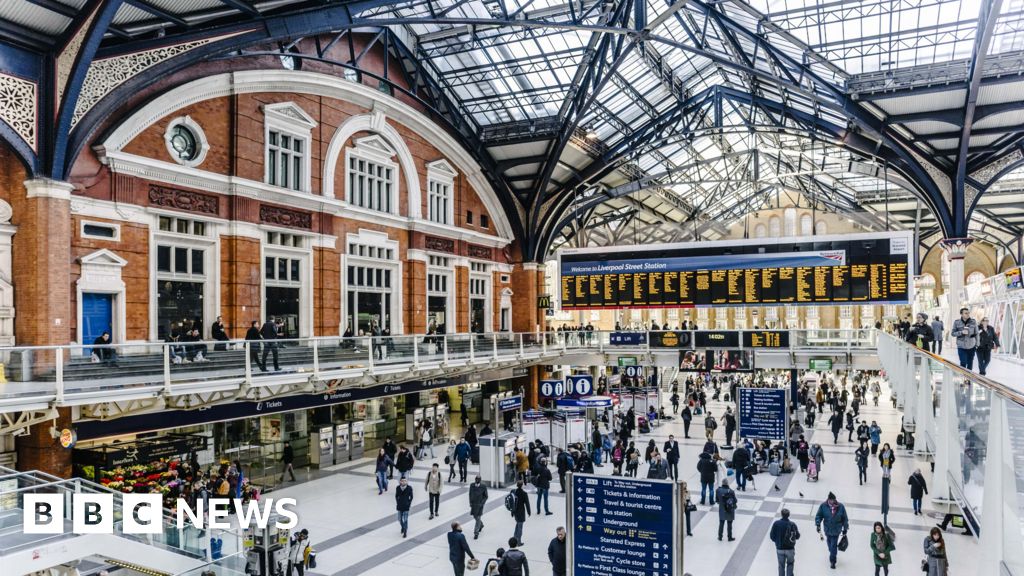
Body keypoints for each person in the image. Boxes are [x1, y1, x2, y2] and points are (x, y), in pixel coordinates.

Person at [814, 492, 849, 569]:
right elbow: (819, 515)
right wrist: (818, 524)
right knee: (830, 544)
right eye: (831, 500)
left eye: (834, 500)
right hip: (827, 529)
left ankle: (833, 561)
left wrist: (845, 528)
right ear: (828, 499)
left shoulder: (840, 506)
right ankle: (832, 553)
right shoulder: (823, 506)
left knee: (833, 545)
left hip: (837, 529)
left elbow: (845, 518)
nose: (833, 501)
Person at [769, 508, 799, 576]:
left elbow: (772, 536)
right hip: (790, 549)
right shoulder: (792, 524)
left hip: (780, 548)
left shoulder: (776, 523)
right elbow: (797, 536)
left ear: (781, 514)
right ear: (789, 515)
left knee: (781, 565)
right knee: (790, 564)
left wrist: (777, 542)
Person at [511, 480, 531, 546]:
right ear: (522, 485)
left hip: (515, 511)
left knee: (517, 525)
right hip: (521, 512)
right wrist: (529, 512)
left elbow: (512, 502)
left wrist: (512, 512)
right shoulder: (524, 493)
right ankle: (518, 542)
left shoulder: (514, 492)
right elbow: (527, 504)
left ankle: (514, 538)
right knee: (520, 527)